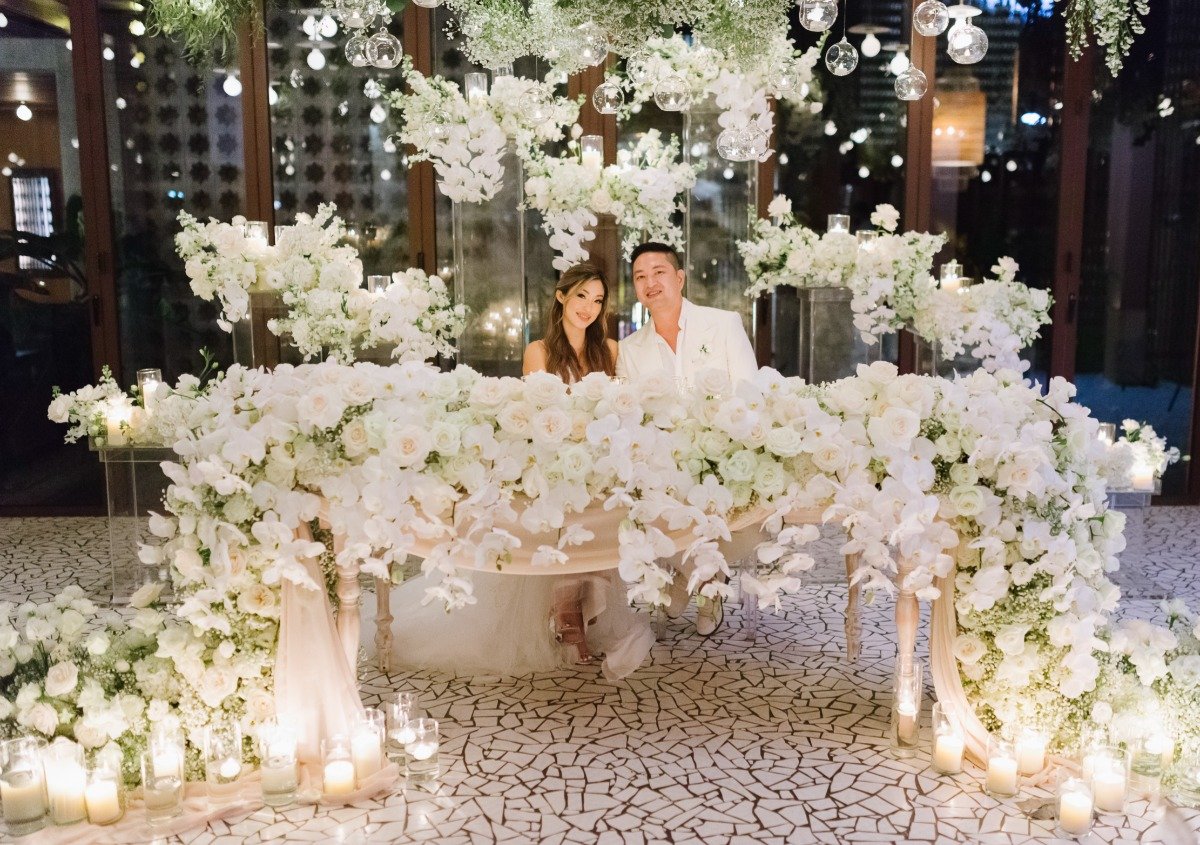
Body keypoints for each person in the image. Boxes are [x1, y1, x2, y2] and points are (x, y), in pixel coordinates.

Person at [377, 263, 654, 681]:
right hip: (552, 461)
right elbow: (534, 415)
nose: (589, 308)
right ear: (561, 297)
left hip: (598, 464)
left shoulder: (611, 351)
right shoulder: (539, 351)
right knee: (562, 526)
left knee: (596, 531)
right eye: (581, 296)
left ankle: (580, 615)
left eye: (597, 300)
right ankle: (567, 619)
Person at [617, 242, 759, 637]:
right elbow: (632, 414)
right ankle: (695, 577)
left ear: (679, 278)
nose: (650, 282)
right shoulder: (630, 349)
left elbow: (749, 391)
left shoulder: (723, 323)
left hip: (724, 452)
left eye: (659, 272)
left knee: (734, 500)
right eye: (640, 277)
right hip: (665, 459)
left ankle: (699, 583)